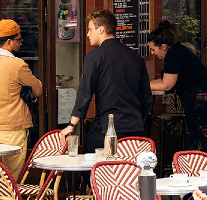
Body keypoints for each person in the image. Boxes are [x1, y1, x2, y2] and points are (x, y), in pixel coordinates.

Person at [61, 10, 153, 153]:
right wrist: (138, 118)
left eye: (90, 29)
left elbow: (85, 92)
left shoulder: (94, 57)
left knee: (92, 166)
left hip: (108, 128)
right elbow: (147, 97)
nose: (88, 34)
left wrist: (71, 124)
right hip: (135, 129)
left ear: (101, 29)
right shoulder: (136, 58)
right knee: (128, 171)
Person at [0, 19, 42, 183]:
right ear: (8, 42)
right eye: (19, 40)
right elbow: (37, 88)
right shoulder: (17, 65)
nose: (21, 43)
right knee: (9, 180)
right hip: (12, 129)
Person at [148, 21, 207, 151]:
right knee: (200, 139)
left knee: (200, 141)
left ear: (163, 46)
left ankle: (199, 168)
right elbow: (165, 80)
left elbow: (167, 85)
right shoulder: (177, 51)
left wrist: (142, 86)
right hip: (203, 98)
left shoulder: (173, 55)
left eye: (153, 49)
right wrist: (143, 84)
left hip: (201, 100)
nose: (152, 53)